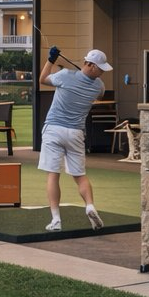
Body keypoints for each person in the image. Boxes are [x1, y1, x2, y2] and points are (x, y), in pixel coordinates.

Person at [38, 45, 112, 230]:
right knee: (79, 176)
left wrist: (51, 60)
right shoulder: (99, 86)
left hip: (54, 129)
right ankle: (90, 206)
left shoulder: (65, 75)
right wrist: (82, 76)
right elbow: (99, 91)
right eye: (100, 68)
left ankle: (56, 220)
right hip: (76, 133)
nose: (102, 72)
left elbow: (43, 79)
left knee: (53, 175)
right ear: (90, 65)